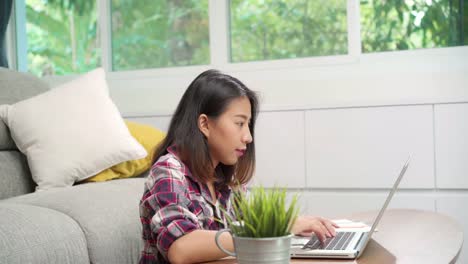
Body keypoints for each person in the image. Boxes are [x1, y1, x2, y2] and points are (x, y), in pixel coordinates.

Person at [139, 69, 338, 264]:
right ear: (205, 124)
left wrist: (290, 223)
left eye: (248, 125)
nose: (248, 137)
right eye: (239, 123)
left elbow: (249, 228)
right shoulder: (168, 172)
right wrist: (274, 228)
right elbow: (180, 249)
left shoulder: (226, 181)